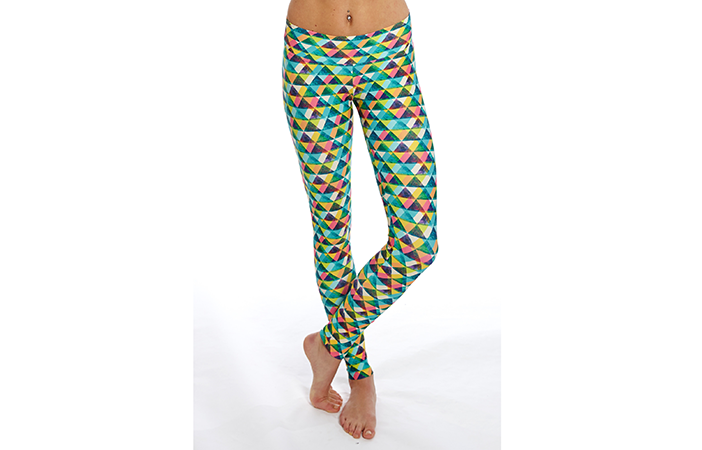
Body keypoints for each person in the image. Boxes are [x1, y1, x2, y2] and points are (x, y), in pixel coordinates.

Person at [282, 0, 439, 440]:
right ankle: (360, 375)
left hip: (387, 52)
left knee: (417, 243)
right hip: (311, 56)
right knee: (331, 230)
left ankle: (327, 345)